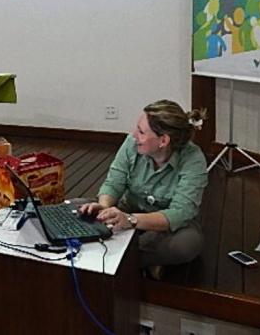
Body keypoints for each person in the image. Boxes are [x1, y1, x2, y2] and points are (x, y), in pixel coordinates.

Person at [79, 99, 208, 279]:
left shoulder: (193, 160)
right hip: (128, 210)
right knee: (79, 206)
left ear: (163, 140)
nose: (134, 135)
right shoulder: (131, 143)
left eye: (141, 131)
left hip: (163, 225)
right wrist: (104, 208)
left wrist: (130, 220)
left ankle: (112, 254)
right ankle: (142, 259)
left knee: (188, 243)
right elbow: (114, 183)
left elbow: (180, 213)